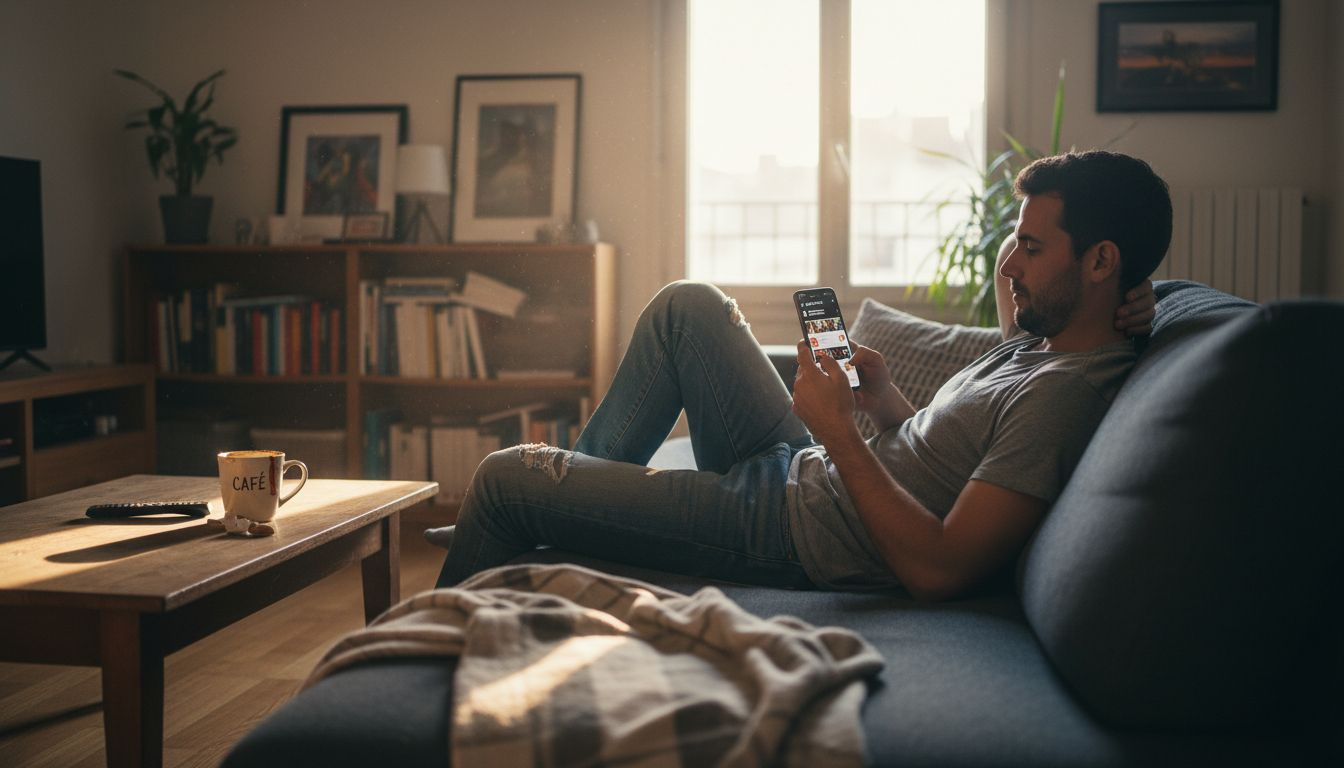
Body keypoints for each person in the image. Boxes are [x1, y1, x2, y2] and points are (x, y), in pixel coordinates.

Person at [431, 150, 1172, 600]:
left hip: (792, 532)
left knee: (502, 477)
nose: (1007, 267)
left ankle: (500, 554)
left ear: (1101, 261)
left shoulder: (1062, 398)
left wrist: (835, 432)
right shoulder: (1046, 341)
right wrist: (883, 404)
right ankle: (570, 504)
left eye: (1031, 250)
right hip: (803, 472)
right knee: (686, 308)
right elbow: (940, 457)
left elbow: (939, 570)